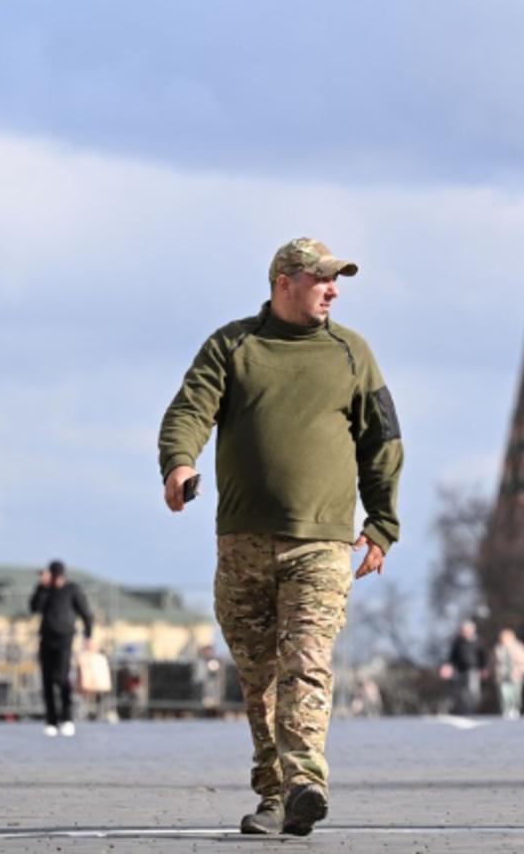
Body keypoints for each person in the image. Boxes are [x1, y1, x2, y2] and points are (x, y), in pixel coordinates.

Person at [158, 237, 402, 838]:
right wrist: (179, 464)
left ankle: (305, 782)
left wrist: (381, 525)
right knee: (259, 677)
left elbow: (383, 443)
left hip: (322, 545)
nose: (333, 290)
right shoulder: (233, 345)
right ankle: (275, 795)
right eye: (322, 279)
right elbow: (190, 409)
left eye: (337, 280)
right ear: (284, 283)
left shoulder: (352, 353)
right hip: (242, 544)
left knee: (307, 662)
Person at [30, 559, 94, 736]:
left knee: (61, 678)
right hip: (46, 640)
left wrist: (88, 636)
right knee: (47, 680)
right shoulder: (45, 590)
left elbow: (86, 614)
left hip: (65, 640)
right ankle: (51, 721)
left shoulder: (72, 589)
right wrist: (42, 588)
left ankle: (67, 718)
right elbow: (35, 608)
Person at [441, 620, 486, 715]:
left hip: (473, 669)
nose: (465, 632)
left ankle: (472, 708)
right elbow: (452, 656)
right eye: (463, 630)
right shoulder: (457, 642)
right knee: (459, 691)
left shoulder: (478, 641)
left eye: (467, 630)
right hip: (459, 670)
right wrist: (448, 666)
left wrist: (483, 668)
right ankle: (462, 709)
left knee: (473, 691)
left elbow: (483, 656)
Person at [493, 628, 524, 720]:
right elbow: (493, 661)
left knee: (515, 693)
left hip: (515, 674)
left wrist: (523, 669)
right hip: (502, 674)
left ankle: (515, 708)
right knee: (504, 693)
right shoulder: (498, 648)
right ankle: (506, 709)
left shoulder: (518, 647)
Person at [75, 637, 115, 722]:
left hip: (99, 685)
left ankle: (102, 713)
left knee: (100, 699)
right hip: (86, 685)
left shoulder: (100, 658)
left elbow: (103, 675)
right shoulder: (83, 657)